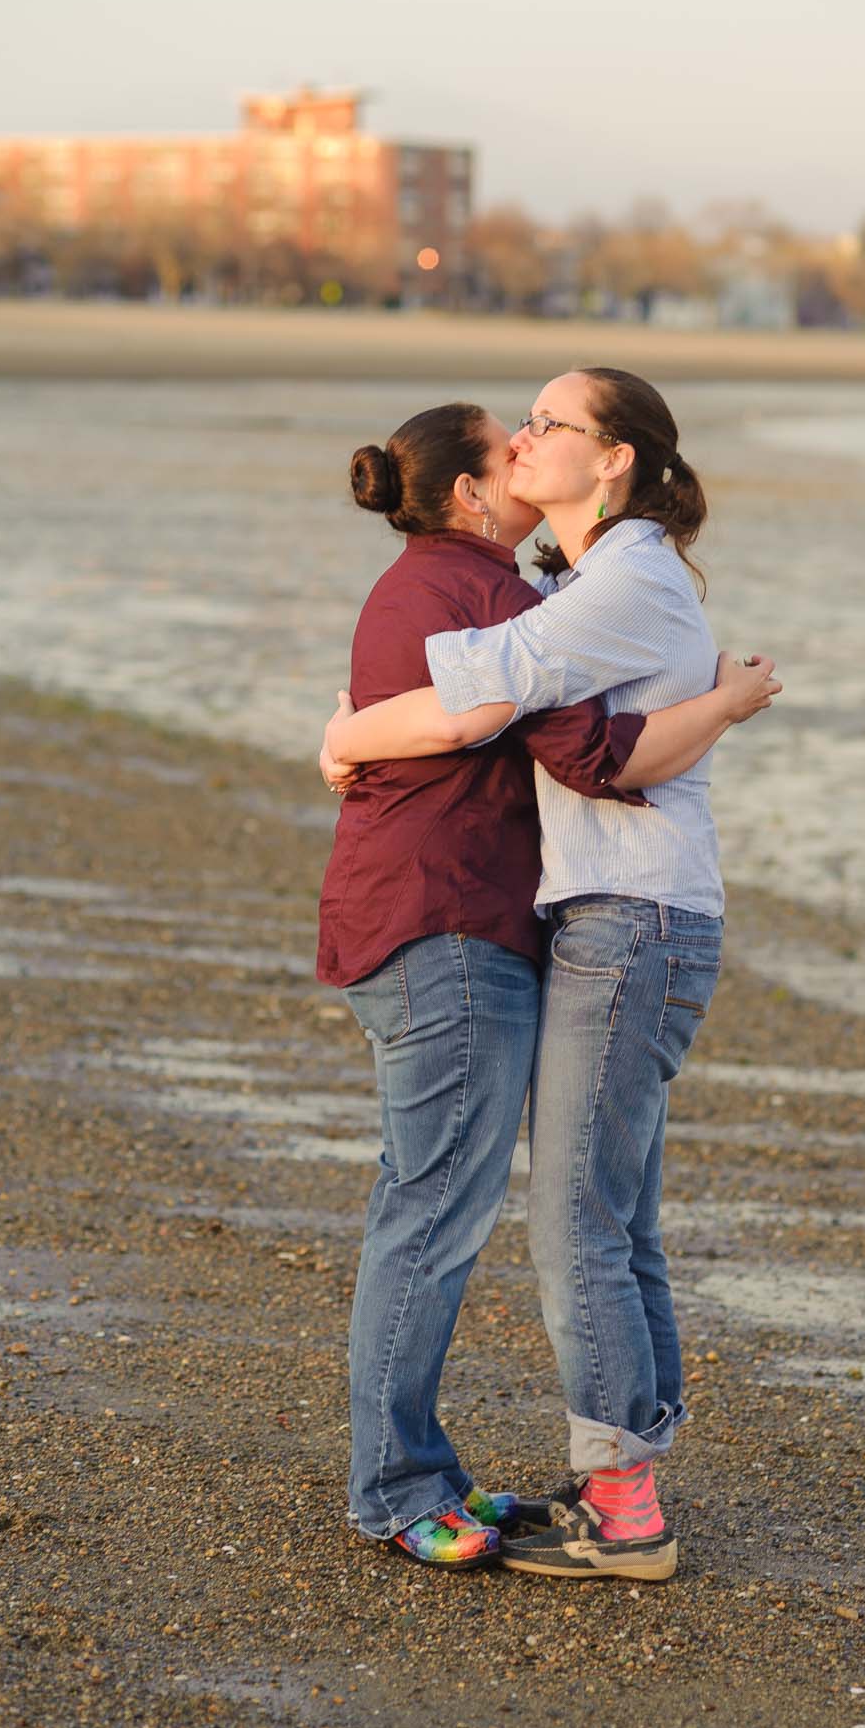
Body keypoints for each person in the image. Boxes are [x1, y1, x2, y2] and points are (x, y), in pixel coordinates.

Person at [323, 367, 778, 1581]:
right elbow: (565, 725)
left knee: (582, 1211)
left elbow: (545, 717)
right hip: (573, 917)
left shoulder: (601, 579)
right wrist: (725, 701)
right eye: (517, 426)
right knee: (590, 1210)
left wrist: (349, 732)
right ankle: (587, 1485)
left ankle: (617, 1495)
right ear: (473, 491)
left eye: (551, 423)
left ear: (614, 457)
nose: (529, 437)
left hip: (625, 919)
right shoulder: (564, 579)